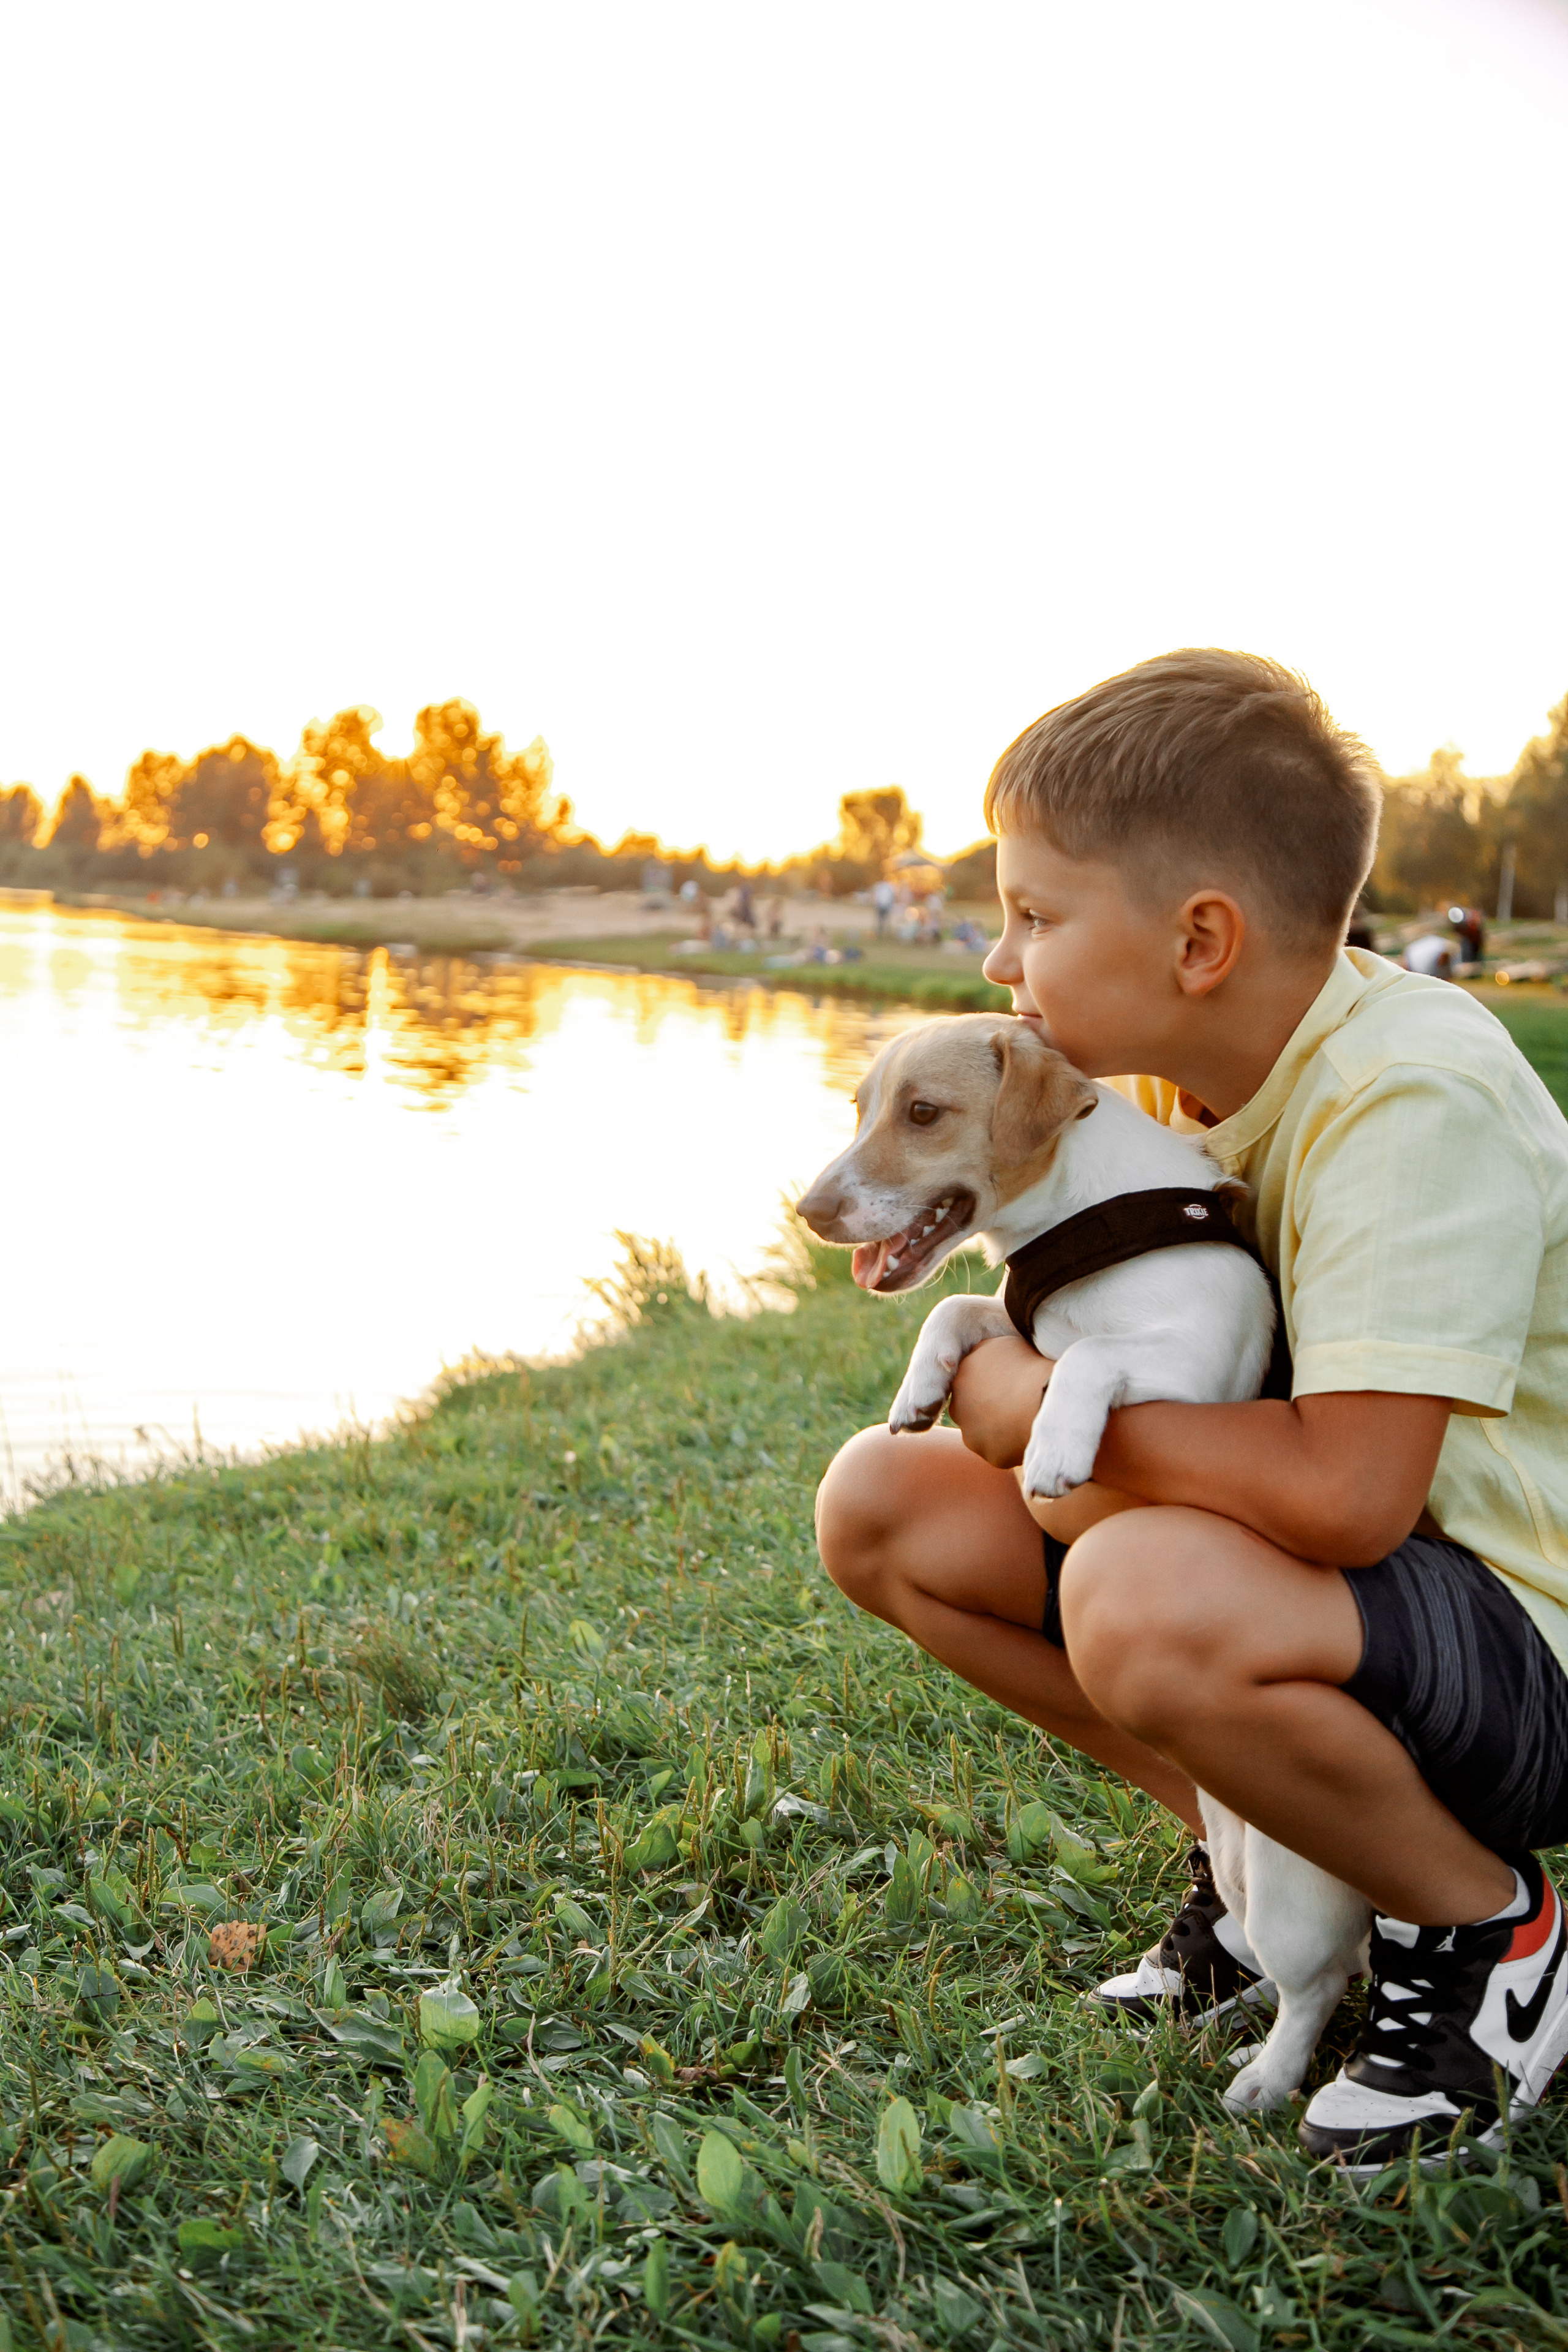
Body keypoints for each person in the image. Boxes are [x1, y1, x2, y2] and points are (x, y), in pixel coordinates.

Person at [815, 649, 1568, 2169]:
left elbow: (1350, 1494)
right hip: (1353, 1599)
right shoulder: (1161, 1090)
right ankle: (1265, 1866)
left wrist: (1029, 1404)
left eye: (1031, 916)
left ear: (1199, 939)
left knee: (1138, 1585)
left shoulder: (1407, 1097)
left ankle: (1487, 1927)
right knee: (883, 1509)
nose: (994, 964)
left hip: (1527, 1625)